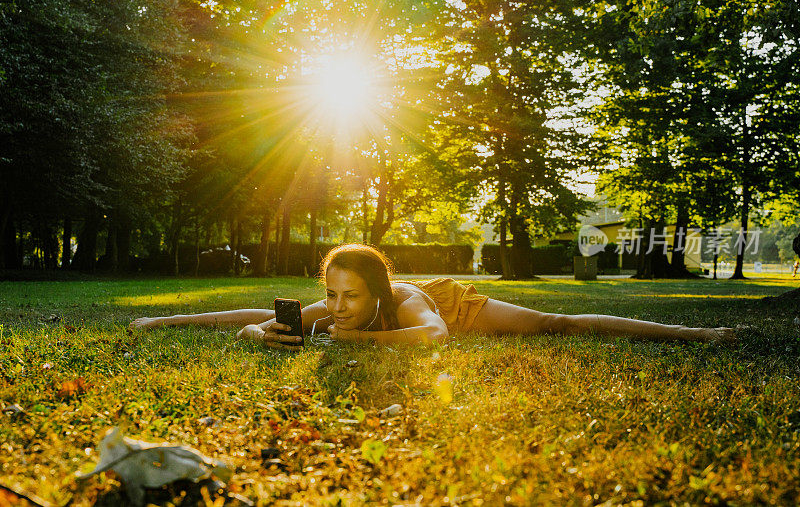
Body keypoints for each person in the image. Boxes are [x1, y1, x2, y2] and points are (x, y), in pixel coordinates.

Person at [129, 243, 736, 349]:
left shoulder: (404, 300)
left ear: (377, 291)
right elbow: (249, 316)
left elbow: (436, 338)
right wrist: (257, 332)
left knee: (558, 322)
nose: (338, 307)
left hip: (453, 311)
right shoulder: (335, 310)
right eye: (331, 295)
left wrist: (373, 341)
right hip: (420, 320)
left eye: (350, 297)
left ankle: (697, 334)